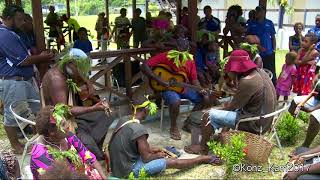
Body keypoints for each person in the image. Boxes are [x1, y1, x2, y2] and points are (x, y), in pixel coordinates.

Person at [184, 50, 276, 154]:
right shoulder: (262, 72)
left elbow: (232, 107)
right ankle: (222, 136)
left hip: (254, 124)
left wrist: (213, 109)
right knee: (225, 111)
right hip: (265, 120)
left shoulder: (247, 81)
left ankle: (203, 148)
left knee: (208, 115)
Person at [108, 98, 222, 178]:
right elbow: (146, 158)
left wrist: (155, 150)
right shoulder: (139, 129)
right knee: (172, 162)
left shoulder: (123, 120)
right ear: (145, 110)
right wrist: (158, 155)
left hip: (117, 168)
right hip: (128, 171)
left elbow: (134, 146)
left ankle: (167, 153)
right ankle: (203, 159)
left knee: (164, 149)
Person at [41, 48, 114, 161]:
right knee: (87, 141)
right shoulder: (56, 79)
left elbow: (80, 75)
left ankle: (95, 148)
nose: (80, 72)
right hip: (58, 122)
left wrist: (88, 83)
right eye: (79, 68)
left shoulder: (65, 68)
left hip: (71, 116)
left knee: (105, 115)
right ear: (70, 63)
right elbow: (64, 110)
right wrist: (92, 108)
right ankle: (93, 154)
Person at [0, 5, 54, 154]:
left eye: (24, 20)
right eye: (19, 20)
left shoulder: (12, 33)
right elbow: (22, 60)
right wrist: (42, 57)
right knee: (11, 115)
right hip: (12, 81)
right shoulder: (3, 34)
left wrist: (39, 55)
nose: (23, 23)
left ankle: (42, 140)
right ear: (8, 18)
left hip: (24, 79)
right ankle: (16, 146)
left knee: (38, 111)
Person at [141, 38, 209, 140]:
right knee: (175, 101)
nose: (181, 53)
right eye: (179, 50)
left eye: (184, 51)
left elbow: (194, 80)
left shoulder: (189, 60)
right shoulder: (167, 55)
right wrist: (159, 81)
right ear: (175, 49)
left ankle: (188, 123)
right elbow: (145, 65)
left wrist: (200, 89)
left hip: (183, 87)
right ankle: (173, 127)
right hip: (167, 88)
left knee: (204, 99)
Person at [30, 106, 107, 179]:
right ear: (51, 132)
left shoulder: (68, 136)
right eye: (63, 124)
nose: (67, 125)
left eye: (65, 121)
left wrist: (103, 176)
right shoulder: (41, 155)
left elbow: (87, 155)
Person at [247, 6, 277, 85]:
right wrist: (257, 46)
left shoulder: (269, 23)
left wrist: (274, 49)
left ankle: (272, 89)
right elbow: (247, 38)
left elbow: (273, 37)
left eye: (259, 11)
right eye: (256, 11)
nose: (257, 12)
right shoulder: (251, 23)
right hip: (256, 52)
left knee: (270, 72)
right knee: (255, 72)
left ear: (264, 12)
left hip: (269, 52)